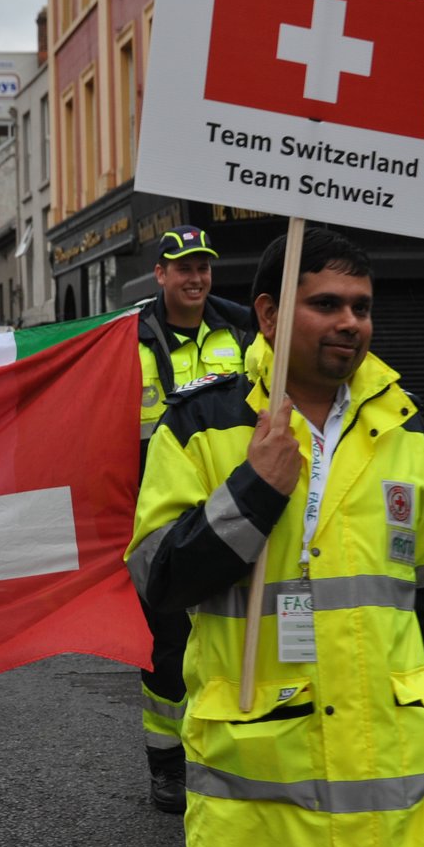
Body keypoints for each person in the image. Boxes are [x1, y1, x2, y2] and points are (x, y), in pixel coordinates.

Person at [127, 227, 424, 847]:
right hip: (256, 793)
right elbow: (159, 581)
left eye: (362, 307)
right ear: (271, 315)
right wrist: (254, 491)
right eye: (326, 304)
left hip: (388, 796)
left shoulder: (410, 440)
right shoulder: (199, 428)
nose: (350, 322)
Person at [134, 225, 255, 814]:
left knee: (230, 638)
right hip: (160, 515)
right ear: (160, 274)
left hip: (232, 512)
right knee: (168, 648)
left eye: (203, 266)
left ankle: (222, 757)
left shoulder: (240, 329)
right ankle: (167, 767)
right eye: (183, 267)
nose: (195, 277)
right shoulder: (128, 341)